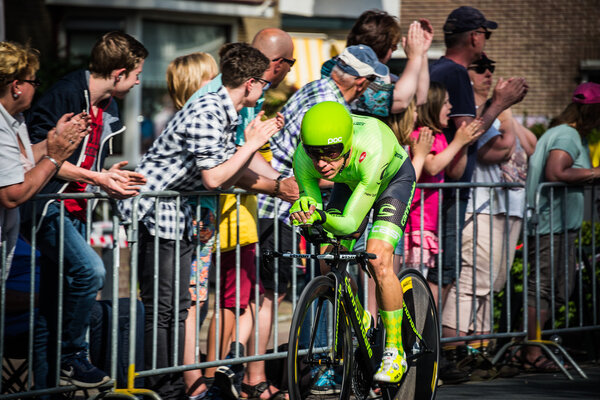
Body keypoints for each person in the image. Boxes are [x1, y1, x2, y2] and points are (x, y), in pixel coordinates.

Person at [118, 42, 282, 400]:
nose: (266, 91)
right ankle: (162, 386)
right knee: (164, 308)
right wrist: (251, 143)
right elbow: (214, 177)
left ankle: (170, 384)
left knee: (178, 307)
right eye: (265, 84)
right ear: (252, 83)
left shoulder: (228, 111)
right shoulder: (208, 110)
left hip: (180, 216)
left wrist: (278, 182)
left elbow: (232, 168)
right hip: (155, 213)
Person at [257, 44, 388, 394]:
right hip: (286, 196)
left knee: (334, 265)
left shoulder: (320, 90)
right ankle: (322, 365)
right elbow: (323, 164)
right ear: (360, 83)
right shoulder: (329, 104)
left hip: (294, 195)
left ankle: (345, 354)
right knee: (313, 279)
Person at [24, 31, 148, 390]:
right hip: (47, 205)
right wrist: (97, 176)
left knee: (52, 308)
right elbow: (34, 155)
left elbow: (84, 163)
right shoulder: (65, 93)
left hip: (76, 209)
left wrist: (107, 179)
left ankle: (47, 389)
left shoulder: (109, 106)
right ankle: (73, 356)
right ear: (119, 72)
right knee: (91, 272)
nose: (140, 80)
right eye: (137, 72)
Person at [183, 29, 298, 400]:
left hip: (239, 211)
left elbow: (246, 158)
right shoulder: (230, 95)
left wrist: (279, 180)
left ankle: (221, 379)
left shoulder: (249, 93)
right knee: (209, 299)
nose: (271, 84)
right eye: (288, 65)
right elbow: (220, 169)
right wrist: (276, 185)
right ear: (273, 66)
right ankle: (202, 382)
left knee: (238, 299)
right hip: (215, 211)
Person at [289, 101, 416, 383]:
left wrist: (319, 216)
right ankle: (363, 319)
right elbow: (310, 202)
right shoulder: (302, 158)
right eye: (314, 154)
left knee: (378, 259)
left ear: (346, 145)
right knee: (327, 263)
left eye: (331, 153)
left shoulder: (372, 147)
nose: (322, 163)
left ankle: (395, 351)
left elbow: (348, 223)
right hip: (349, 183)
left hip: (391, 181)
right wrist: (306, 214)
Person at [427, 6, 528, 309]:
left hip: (442, 184)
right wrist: (499, 103)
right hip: (449, 187)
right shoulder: (456, 73)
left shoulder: (440, 69)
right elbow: (467, 133)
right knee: (443, 270)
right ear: (474, 37)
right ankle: (423, 346)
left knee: (440, 269)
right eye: (485, 34)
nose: (485, 41)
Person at [442, 55, 537, 365]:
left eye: (492, 69)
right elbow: (497, 151)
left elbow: (531, 145)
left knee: (491, 283)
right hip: (482, 205)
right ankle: (454, 349)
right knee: (472, 280)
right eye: (480, 68)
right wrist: (501, 110)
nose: (488, 74)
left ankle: (479, 350)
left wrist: (506, 110)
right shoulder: (477, 116)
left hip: (508, 208)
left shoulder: (497, 113)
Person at [523, 82, 600, 371]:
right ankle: (531, 351)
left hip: (559, 224)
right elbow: (557, 171)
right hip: (550, 225)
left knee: (559, 287)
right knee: (543, 287)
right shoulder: (567, 134)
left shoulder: (566, 133)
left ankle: (535, 345)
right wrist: (595, 172)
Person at [0, 41, 88, 275]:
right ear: (17, 86)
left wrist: (53, 143)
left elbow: (19, 158)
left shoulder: (13, 118)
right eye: (33, 82)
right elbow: (12, 193)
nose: (37, 88)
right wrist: (55, 158)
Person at [164, 51, 219, 400]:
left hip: (203, 218)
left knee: (196, 298)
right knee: (190, 299)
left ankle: (191, 374)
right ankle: (191, 379)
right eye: (213, 78)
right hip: (189, 218)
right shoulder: (194, 121)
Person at [403, 82, 483, 277]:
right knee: (411, 280)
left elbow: (454, 173)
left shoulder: (440, 136)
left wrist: (463, 145)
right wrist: (458, 142)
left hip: (429, 223)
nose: (450, 108)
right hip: (415, 222)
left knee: (417, 281)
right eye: (446, 103)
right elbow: (432, 166)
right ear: (433, 105)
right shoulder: (421, 135)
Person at [322, 10, 432, 116]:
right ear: (382, 48)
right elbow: (400, 100)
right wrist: (415, 58)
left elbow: (419, 97)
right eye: (393, 47)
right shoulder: (338, 70)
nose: (392, 52)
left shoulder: (336, 65)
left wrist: (422, 52)